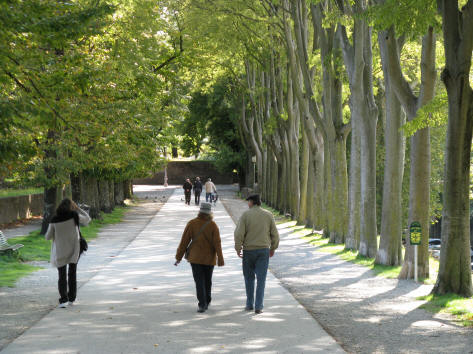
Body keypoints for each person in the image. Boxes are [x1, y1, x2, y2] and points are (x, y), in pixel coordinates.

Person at [175, 202, 224, 313]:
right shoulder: (213, 225)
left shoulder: (192, 223)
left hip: (195, 257)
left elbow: (184, 242)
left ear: (200, 211)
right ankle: (207, 299)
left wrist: (178, 257)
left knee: (199, 281)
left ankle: (202, 304)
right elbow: (217, 243)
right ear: (210, 213)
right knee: (208, 280)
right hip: (209, 258)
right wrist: (220, 258)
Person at [234, 194, 279, 314]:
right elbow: (275, 234)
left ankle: (249, 304)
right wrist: (273, 248)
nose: (247, 203)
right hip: (263, 250)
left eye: (248, 201)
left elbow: (239, 234)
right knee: (261, 279)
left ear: (252, 202)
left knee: (249, 278)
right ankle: (258, 306)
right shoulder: (268, 215)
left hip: (248, 251)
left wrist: (238, 248)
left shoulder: (246, 215)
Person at [45, 198, 91, 308]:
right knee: (72, 273)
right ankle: (72, 298)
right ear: (72, 206)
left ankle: (63, 300)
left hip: (60, 251)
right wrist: (79, 208)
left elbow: (48, 237)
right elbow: (88, 219)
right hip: (74, 250)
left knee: (61, 276)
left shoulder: (54, 219)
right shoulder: (74, 215)